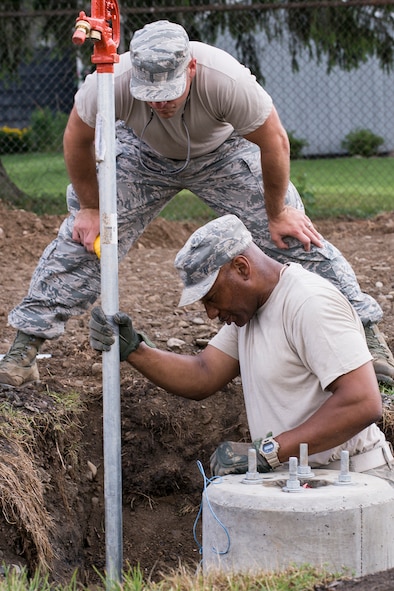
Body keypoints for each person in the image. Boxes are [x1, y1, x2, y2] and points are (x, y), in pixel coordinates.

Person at [0, 20, 393, 387]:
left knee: (292, 237)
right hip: (141, 154)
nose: (161, 104)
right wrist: (89, 208)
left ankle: (365, 337)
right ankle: (25, 347)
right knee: (85, 239)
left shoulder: (226, 79)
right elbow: (76, 138)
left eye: (169, 94)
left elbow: (274, 141)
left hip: (221, 152)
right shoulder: (110, 80)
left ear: (190, 68)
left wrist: (277, 212)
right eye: (150, 96)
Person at [89, 214, 394, 481]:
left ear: (242, 267)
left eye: (211, 297)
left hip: (354, 478)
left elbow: (362, 402)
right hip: (303, 481)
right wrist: (135, 350)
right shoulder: (248, 315)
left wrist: (267, 453)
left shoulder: (308, 303)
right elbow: (203, 373)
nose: (210, 313)